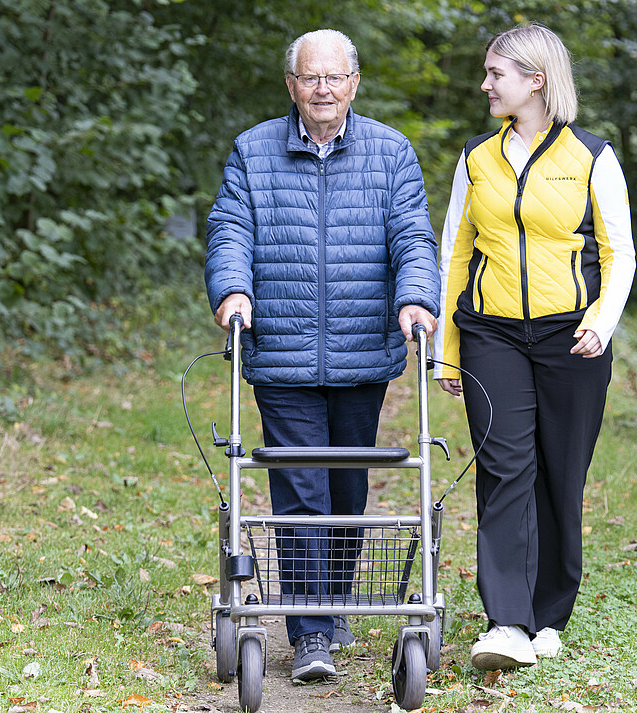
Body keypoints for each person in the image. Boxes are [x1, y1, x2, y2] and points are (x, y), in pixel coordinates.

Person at [205, 28, 440, 683]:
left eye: (335, 77)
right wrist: (233, 288)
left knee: (347, 489)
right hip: (281, 351)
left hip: (363, 352)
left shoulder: (391, 152)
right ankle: (310, 630)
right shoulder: (252, 150)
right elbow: (229, 229)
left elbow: (413, 238)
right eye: (310, 77)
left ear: (354, 83)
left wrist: (416, 297)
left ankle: (331, 605)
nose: (323, 89)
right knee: (301, 489)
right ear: (292, 85)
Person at [434, 23, 636, 670]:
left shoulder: (592, 157)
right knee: (503, 469)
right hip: (491, 331)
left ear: (536, 80)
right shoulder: (476, 158)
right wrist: (447, 345)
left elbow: (619, 252)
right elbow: (455, 253)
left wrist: (602, 322)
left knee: (560, 473)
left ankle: (549, 614)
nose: (485, 85)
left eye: (496, 74)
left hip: (571, 336)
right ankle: (507, 622)